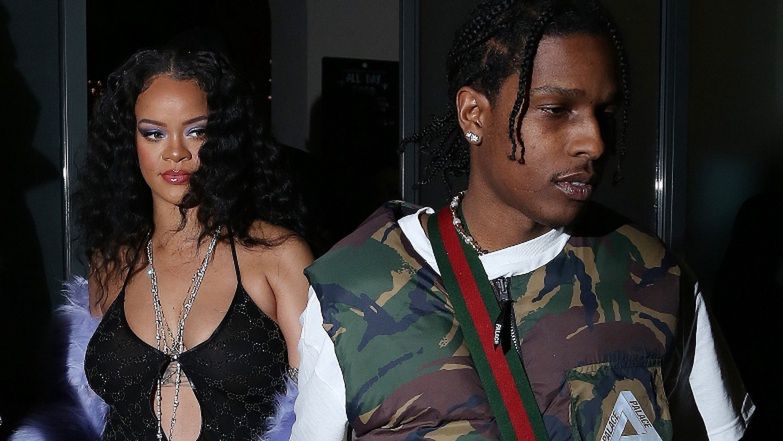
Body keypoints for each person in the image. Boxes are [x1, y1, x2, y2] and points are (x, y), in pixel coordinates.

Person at [292, 1, 754, 440]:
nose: (593, 142)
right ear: (474, 114)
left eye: (605, 112)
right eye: (556, 110)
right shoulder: (353, 289)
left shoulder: (653, 274)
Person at [12, 49, 311, 440]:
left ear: (224, 139)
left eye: (196, 131)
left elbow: (320, 411)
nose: (175, 153)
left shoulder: (277, 258)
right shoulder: (111, 263)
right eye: (154, 133)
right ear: (130, 141)